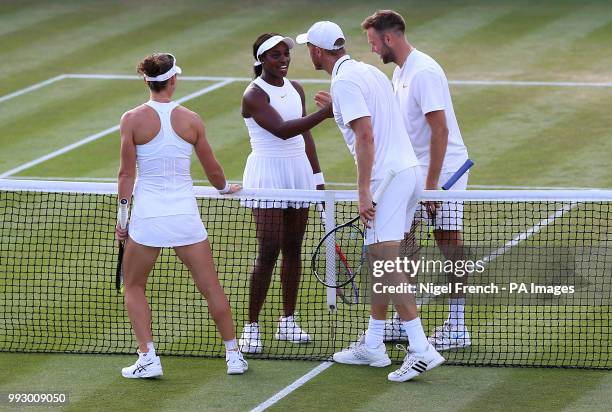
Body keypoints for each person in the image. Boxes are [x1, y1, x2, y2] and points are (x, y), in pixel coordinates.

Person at [297, 21, 444, 382]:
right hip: (406, 173)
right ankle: (375, 345)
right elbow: (374, 119)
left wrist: (363, 191)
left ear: (317, 51)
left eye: (308, 49)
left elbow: (366, 135)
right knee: (378, 260)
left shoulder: (345, 81)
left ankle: (421, 348)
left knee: (386, 262)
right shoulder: (366, 73)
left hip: (386, 180)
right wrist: (338, 109)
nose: (308, 53)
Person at [116, 52, 248, 378]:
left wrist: (122, 222)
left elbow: (125, 175)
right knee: (212, 287)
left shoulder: (131, 119)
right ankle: (233, 355)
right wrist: (224, 187)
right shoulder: (191, 119)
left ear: (147, 80)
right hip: (184, 217)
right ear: (173, 80)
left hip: (147, 218)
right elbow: (214, 172)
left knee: (133, 286)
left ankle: (148, 357)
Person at [361, 10, 471, 351]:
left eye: (374, 43)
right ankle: (401, 320)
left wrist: (432, 185)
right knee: (403, 243)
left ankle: (457, 325)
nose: (373, 50)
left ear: (389, 39)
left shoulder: (423, 72)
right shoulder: (400, 73)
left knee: (449, 242)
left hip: (444, 170)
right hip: (413, 170)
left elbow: (440, 130)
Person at [239, 33, 331, 354]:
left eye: (286, 54)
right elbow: (281, 130)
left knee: (293, 248)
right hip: (267, 174)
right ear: (261, 60)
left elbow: (303, 135)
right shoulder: (254, 95)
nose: (283, 60)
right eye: (275, 55)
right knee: (268, 250)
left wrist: (316, 177)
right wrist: (326, 114)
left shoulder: (296, 89)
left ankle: (287, 321)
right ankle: (251, 327)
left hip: (298, 173)